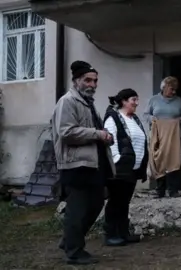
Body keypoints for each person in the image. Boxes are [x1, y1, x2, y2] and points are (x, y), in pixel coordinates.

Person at [51, 60, 115, 265]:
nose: (93, 84)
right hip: (76, 165)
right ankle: (74, 252)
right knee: (77, 209)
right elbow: (66, 132)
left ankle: (70, 240)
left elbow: (92, 131)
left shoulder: (88, 103)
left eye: (95, 80)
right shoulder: (67, 101)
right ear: (76, 81)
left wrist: (106, 136)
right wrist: (98, 134)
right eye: (88, 80)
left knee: (96, 204)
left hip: (93, 164)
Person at [103, 88, 148, 246]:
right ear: (123, 101)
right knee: (116, 201)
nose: (137, 103)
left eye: (137, 100)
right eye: (133, 100)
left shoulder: (134, 119)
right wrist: (117, 160)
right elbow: (110, 141)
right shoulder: (113, 118)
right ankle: (110, 234)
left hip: (132, 169)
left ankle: (123, 233)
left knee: (124, 202)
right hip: (119, 169)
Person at [144, 76, 181, 198]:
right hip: (159, 137)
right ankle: (160, 190)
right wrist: (153, 119)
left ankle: (173, 190)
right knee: (159, 160)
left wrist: (177, 121)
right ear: (164, 88)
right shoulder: (154, 100)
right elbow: (146, 114)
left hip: (175, 137)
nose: (173, 92)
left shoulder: (179, 101)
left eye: (175, 90)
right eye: (171, 89)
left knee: (174, 160)